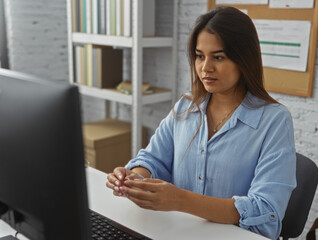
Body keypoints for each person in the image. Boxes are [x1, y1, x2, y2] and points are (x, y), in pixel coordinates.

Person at [106, 6, 296, 240]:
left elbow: (266, 211)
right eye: (199, 56)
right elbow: (153, 159)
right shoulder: (186, 106)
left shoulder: (274, 120)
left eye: (218, 57)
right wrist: (134, 177)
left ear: (244, 60)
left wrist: (179, 200)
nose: (206, 67)